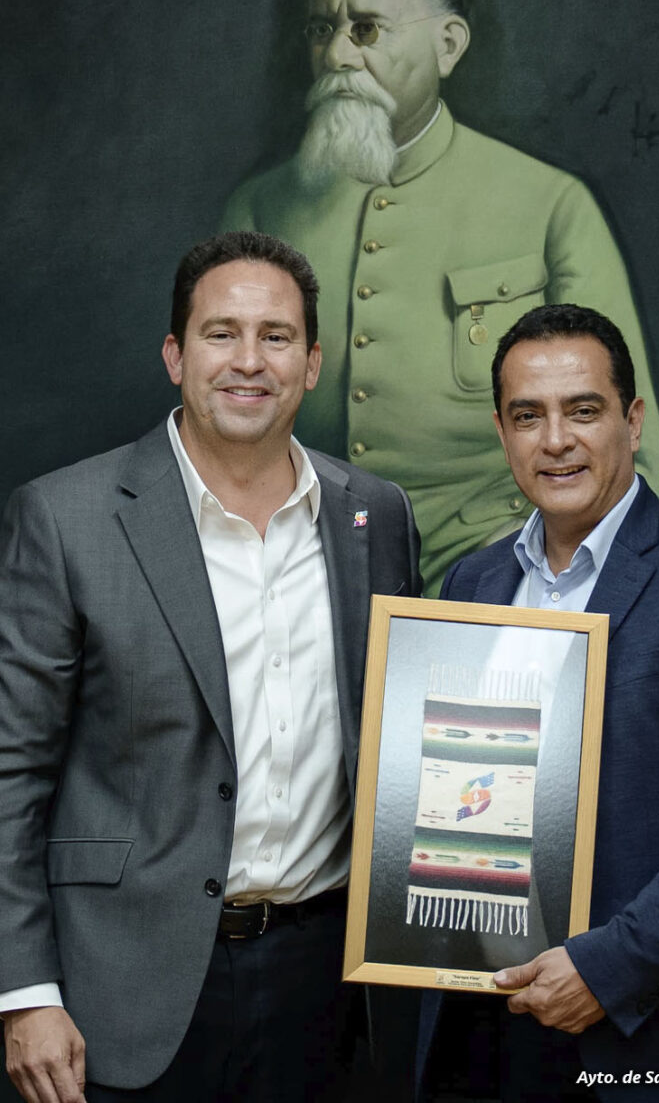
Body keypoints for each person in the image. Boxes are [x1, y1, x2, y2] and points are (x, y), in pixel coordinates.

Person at [0, 230, 421, 1103]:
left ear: (312, 364)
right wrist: (24, 992)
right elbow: (12, 770)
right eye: (221, 333)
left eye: (276, 337)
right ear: (175, 355)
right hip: (121, 987)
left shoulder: (375, 517)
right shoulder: (66, 518)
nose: (248, 360)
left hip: (328, 985)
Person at [221, 0, 659, 596]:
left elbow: (632, 448)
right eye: (322, 30)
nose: (337, 55)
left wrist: (552, 587)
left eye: (366, 29)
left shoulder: (550, 203)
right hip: (305, 569)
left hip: (507, 572)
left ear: (448, 44)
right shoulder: (260, 208)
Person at [420, 303, 659, 1101]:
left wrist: (607, 969)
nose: (556, 440)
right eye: (527, 416)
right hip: (487, 1023)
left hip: (656, 1028)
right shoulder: (473, 584)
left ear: (632, 421)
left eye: (583, 411)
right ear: (502, 433)